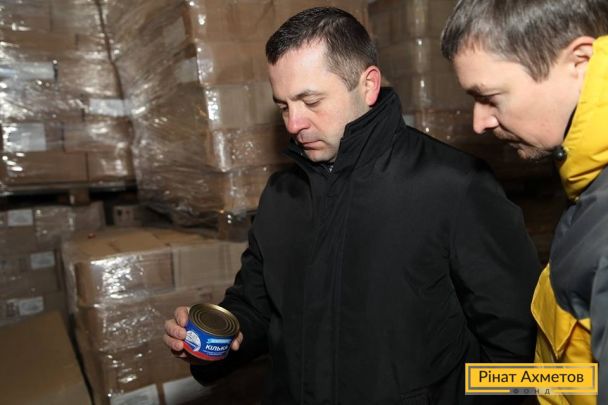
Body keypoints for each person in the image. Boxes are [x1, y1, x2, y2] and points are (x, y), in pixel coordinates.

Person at [165, 7, 540, 404]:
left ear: (368, 85)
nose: (293, 124)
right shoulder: (281, 195)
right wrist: (216, 338)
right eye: (284, 106)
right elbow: (257, 307)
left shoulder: (455, 186)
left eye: (310, 101)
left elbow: (518, 351)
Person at [440, 0, 608, 404]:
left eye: (490, 96)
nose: (479, 122)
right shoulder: (588, 188)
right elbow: (576, 380)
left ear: (579, 61)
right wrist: (471, 383)